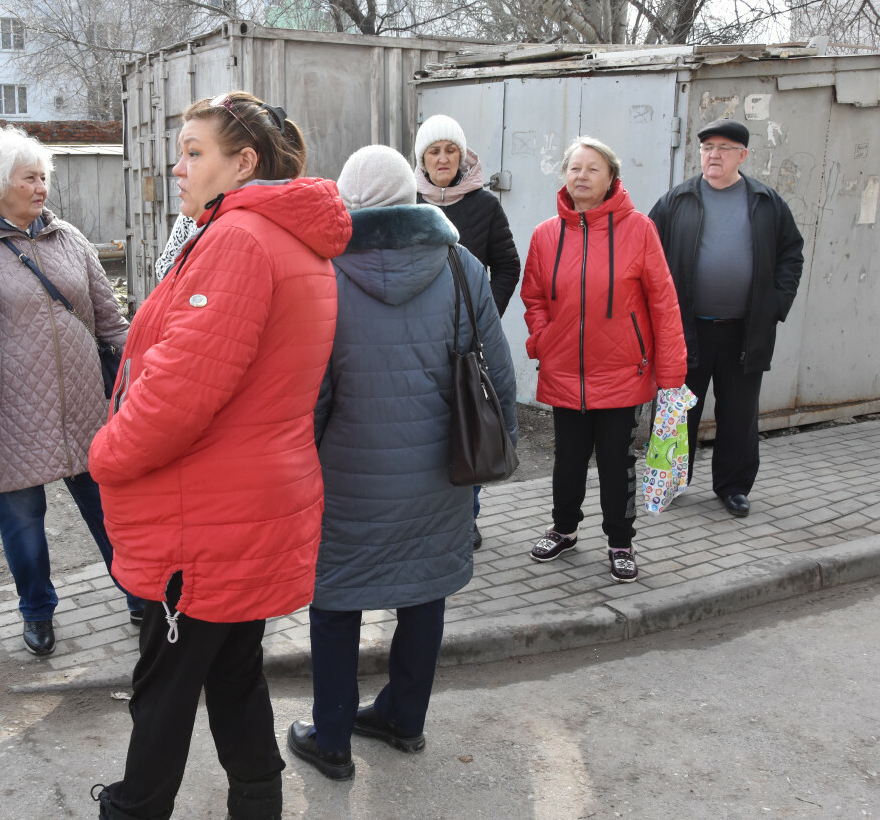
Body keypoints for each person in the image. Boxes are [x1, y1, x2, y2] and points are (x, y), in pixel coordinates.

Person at [87, 92, 352, 820]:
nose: (178, 166)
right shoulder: (277, 235)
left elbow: (176, 392)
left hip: (203, 514)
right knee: (234, 672)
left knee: (165, 687)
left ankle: (135, 807)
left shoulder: (240, 240)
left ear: (245, 162)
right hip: (244, 503)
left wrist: (104, 454)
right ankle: (258, 803)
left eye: (194, 152)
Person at [287, 146, 517, 781]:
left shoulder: (321, 271)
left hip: (344, 477)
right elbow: (496, 371)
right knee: (425, 592)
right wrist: (509, 447)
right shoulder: (460, 264)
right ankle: (403, 719)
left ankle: (331, 737)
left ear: (346, 200)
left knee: (334, 599)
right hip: (440, 472)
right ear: (411, 195)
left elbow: (309, 391)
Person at [0, 125, 141, 658]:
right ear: (0, 184)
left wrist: (139, 375)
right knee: (23, 523)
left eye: (44, 176)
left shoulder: (69, 238)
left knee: (110, 508)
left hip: (85, 409)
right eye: (30, 177)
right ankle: (37, 612)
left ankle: (138, 594)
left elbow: (110, 322)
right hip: (9, 416)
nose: (41, 186)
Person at [521, 136, 686, 583]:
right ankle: (564, 529)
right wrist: (541, 338)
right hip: (565, 371)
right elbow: (534, 296)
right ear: (564, 177)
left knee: (617, 462)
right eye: (575, 168)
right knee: (567, 459)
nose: (582, 176)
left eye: (593, 169)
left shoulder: (640, 230)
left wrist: (671, 373)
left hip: (621, 372)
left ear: (612, 177)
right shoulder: (545, 234)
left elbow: (663, 304)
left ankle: (620, 541)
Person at [649, 119, 805, 518]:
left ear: (743, 155)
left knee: (738, 415)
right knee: (677, 409)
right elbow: (646, 256)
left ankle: (733, 487)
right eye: (707, 147)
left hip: (744, 331)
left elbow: (791, 254)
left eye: (724, 147)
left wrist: (775, 305)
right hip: (686, 329)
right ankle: (669, 483)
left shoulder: (765, 202)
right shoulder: (677, 201)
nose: (713, 154)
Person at [414, 114, 521, 550]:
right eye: (434, 151)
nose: (443, 159)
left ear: (463, 156)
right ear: (421, 158)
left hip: (468, 346)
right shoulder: (410, 203)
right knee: (426, 432)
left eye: (450, 150)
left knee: (469, 427)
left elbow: (508, 265)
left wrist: (484, 318)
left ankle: (467, 517)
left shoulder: (485, 205)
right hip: (419, 340)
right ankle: (425, 514)